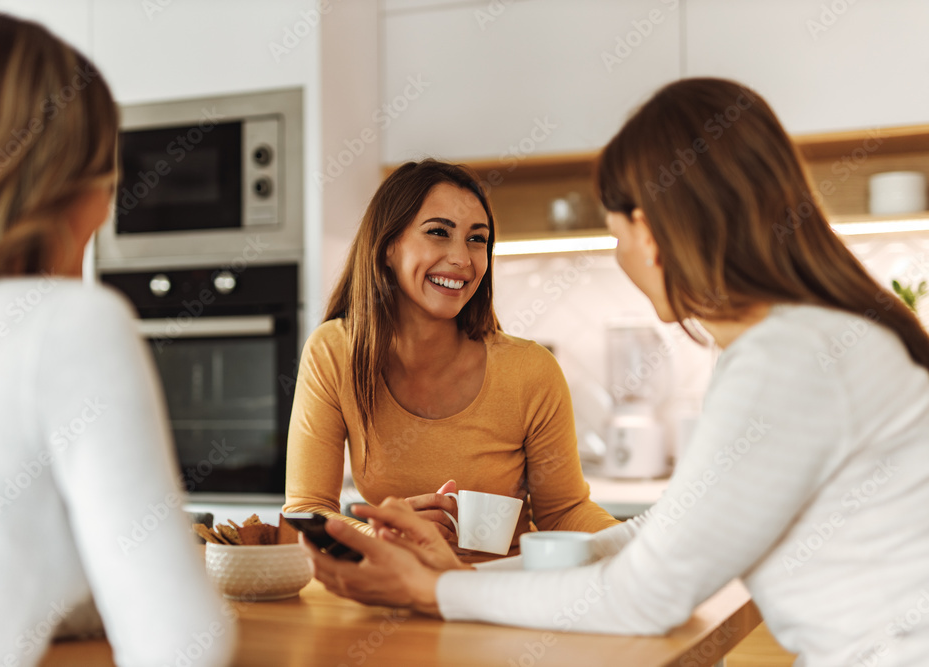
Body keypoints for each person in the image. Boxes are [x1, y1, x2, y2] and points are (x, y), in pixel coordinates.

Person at [302, 78, 929, 666]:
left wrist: (434, 592)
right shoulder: (811, 342)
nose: (619, 251)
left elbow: (647, 595)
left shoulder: (788, 361)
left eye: (614, 230)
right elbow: (659, 534)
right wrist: (455, 580)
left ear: (652, 231)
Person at [0, 9, 234, 666]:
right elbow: (182, 642)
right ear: (51, 179)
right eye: (106, 170)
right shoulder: (63, 323)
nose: (109, 201)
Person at [283, 159, 618, 561]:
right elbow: (307, 509)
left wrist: (640, 547)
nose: (462, 258)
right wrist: (384, 534)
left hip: (500, 599)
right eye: (439, 233)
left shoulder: (531, 370)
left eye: (477, 239)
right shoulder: (334, 352)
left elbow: (564, 512)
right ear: (388, 246)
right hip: (391, 597)